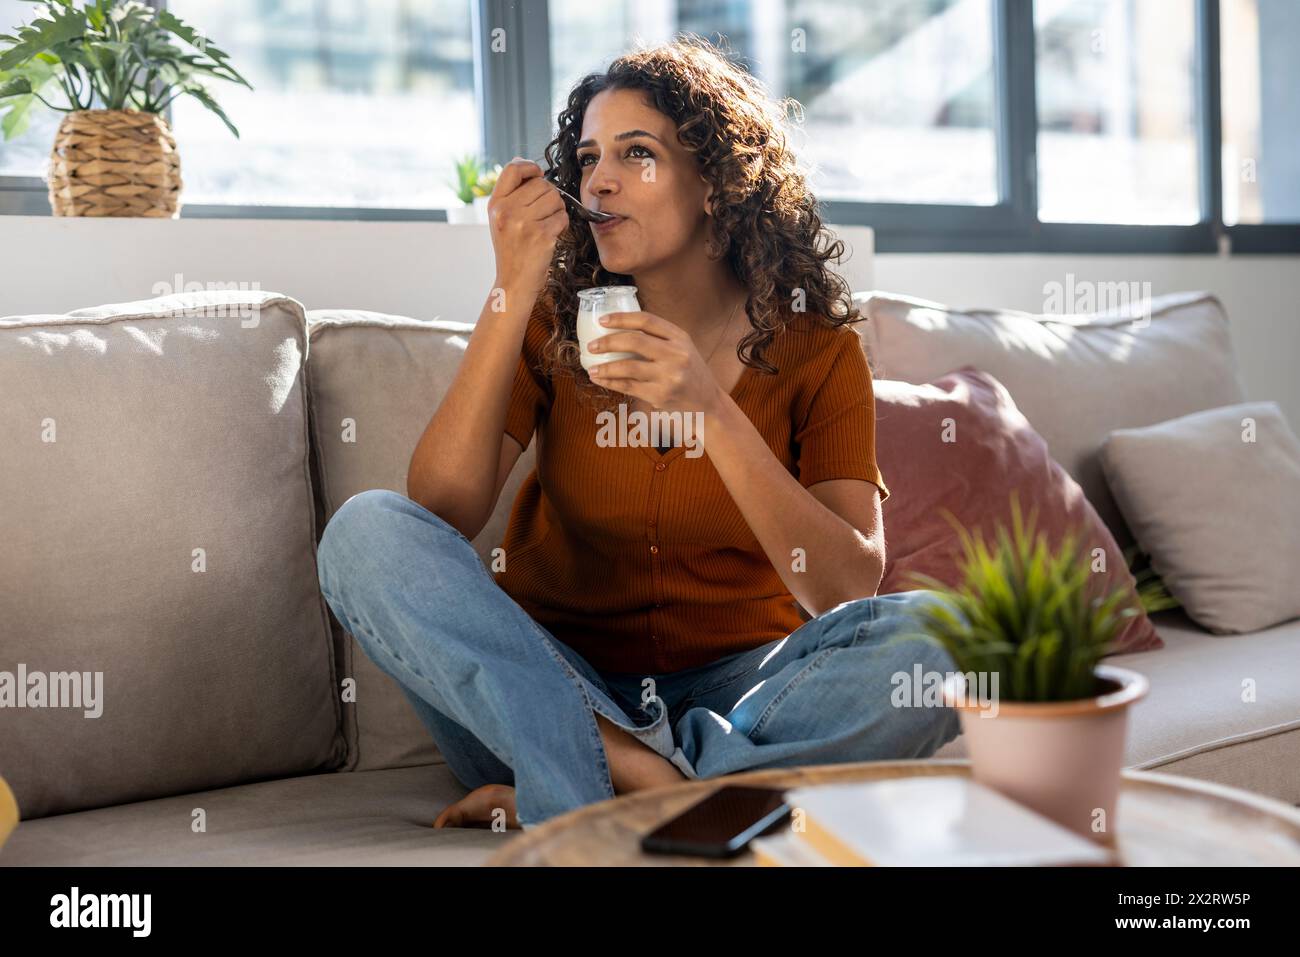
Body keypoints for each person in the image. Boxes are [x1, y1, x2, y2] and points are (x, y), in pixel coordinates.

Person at [317, 36, 961, 831]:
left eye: (636, 153)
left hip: (743, 692)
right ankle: (661, 786)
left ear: (719, 185)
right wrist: (510, 287)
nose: (600, 179)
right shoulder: (555, 325)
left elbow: (843, 587)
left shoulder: (818, 349)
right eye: (587, 158)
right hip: (543, 692)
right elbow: (441, 506)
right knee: (364, 531)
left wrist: (713, 413)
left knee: (943, 638)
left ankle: (598, 793)